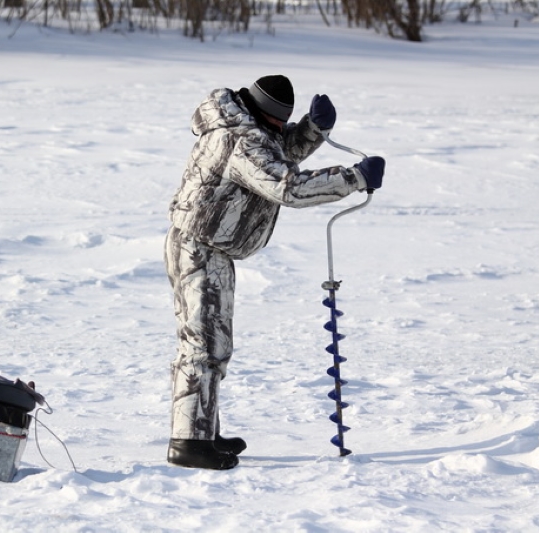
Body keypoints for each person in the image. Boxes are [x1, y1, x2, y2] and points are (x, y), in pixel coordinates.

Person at [164, 75, 385, 470]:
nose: (281, 131)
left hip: (207, 247)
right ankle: (188, 444)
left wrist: (312, 131)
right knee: (203, 345)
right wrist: (354, 178)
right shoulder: (241, 140)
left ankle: (202, 430)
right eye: (279, 124)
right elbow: (287, 186)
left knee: (213, 345)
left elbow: (276, 152)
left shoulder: (245, 126)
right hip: (199, 249)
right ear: (264, 115)